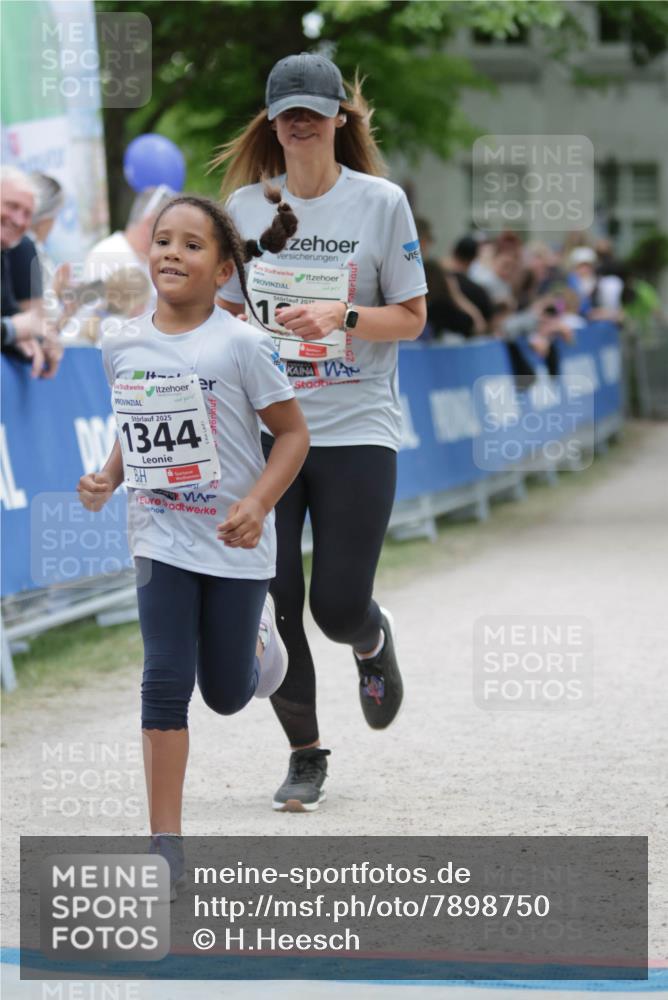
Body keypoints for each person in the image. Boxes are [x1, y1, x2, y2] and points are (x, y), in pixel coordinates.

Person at [212, 52, 427, 811]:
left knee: (335, 604)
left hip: (356, 423)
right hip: (271, 429)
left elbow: (411, 316)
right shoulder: (242, 210)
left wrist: (343, 315)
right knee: (272, 604)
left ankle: (370, 639)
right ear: (272, 122)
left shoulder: (380, 203)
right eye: (287, 110)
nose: (300, 121)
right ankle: (306, 754)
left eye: (315, 109)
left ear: (341, 118)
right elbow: (227, 314)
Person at [77, 191, 309, 892]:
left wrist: (259, 503)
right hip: (161, 534)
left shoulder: (242, 345)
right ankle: (165, 842)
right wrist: (110, 478)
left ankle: (262, 646)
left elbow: (293, 435)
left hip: (233, 539)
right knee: (164, 680)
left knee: (227, 695)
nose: (172, 254)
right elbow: (135, 420)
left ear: (222, 270)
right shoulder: (120, 342)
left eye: (193, 245)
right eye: (163, 241)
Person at [1, 166, 62, 377]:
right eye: (11, 206)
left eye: (27, 213)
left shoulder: (6, 252)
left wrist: (35, 341)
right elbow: (14, 324)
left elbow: (14, 315)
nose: (18, 220)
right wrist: (11, 330)